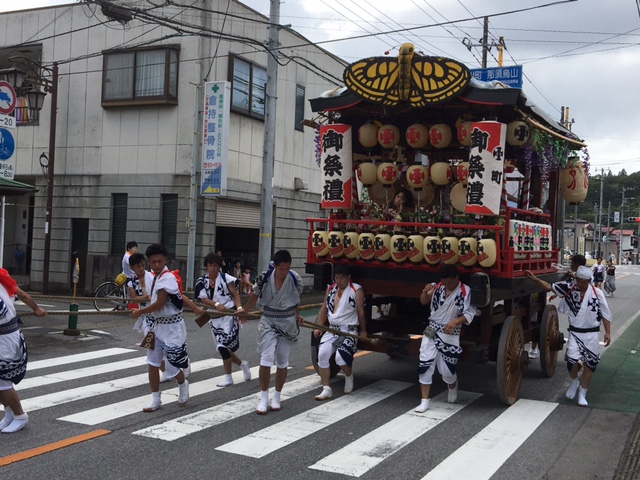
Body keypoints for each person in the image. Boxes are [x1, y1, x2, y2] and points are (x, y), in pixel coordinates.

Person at [527, 266, 611, 406]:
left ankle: (583, 394)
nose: (580, 283)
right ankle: (574, 381)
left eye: (583, 281)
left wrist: (608, 332)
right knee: (571, 362)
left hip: (592, 334)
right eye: (578, 280)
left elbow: (605, 313)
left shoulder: (597, 293)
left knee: (589, 365)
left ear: (589, 280)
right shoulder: (570, 288)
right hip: (575, 333)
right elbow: (549, 287)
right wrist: (535, 279)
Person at [240, 250, 304, 415]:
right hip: (268, 319)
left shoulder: (295, 279)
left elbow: (295, 300)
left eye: (288, 268)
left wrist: (297, 316)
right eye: (282, 269)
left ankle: (277, 396)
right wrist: (245, 310)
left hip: (287, 321)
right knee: (266, 357)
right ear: (275, 266)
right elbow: (255, 295)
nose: (285, 272)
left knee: (282, 360)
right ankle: (263, 397)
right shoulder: (265, 277)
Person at [130, 243, 190, 412]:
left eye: (160, 261)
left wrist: (139, 312)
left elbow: (160, 303)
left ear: (165, 261)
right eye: (153, 262)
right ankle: (156, 398)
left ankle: (182, 382)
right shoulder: (151, 277)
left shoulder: (168, 278)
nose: (156, 265)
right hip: (155, 326)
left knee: (172, 366)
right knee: (152, 363)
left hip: (172, 327)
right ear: (149, 262)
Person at [415, 265, 479, 413]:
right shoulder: (437, 287)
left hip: (450, 331)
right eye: (444, 283)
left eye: (450, 283)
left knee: (447, 370)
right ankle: (424, 400)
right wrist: (424, 292)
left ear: (457, 278)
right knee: (425, 362)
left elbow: (471, 312)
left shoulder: (465, 291)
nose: (447, 286)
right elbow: (424, 301)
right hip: (432, 329)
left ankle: (452, 384)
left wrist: (456, 321)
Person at [0, 269, 47, 433]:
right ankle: (9, 413)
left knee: (3, 382)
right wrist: (36, 308)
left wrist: (37, 309)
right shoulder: (2, 279)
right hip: (7, 335)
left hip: (5, 337)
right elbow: (24, 296)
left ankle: (20, 415)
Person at [194, 253, 251, 387]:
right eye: (210, 265)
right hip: (214, 317)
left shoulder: (226, 278)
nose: (212, 268)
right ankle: (243, 364)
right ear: (206, 266)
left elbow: (235, 295)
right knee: (223, 349)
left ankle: (228, 377)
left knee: (223, 346)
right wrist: (215, 304)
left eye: (215, 265)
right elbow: (202, 299)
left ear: (219, 266)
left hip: (229, 316)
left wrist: (240, 308)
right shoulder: (202, 281)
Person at [313, 264, 367, 400]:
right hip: (332, 329)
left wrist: (363, 330)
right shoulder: (331, 288)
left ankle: (349, 375)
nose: (338, 281)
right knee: (322, 354)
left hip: (349, 330)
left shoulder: (356, 289)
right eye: (336, 277)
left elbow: (360, 311)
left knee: (340, 358)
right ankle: (326, 388)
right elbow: (325, 307)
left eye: (341, 278)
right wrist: (319, 326)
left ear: (348, 278)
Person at [528, 254, 587, 359]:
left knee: (578, 332)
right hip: (580, 312)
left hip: (580, 312)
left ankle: (576, 354)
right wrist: (557, 292)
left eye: (572, 262)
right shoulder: (581, 278)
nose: (570, 264)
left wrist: (534, 279)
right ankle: (575, 352)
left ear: (577, 264)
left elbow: (548, 287)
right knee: (577, 331)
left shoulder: (580, 279)